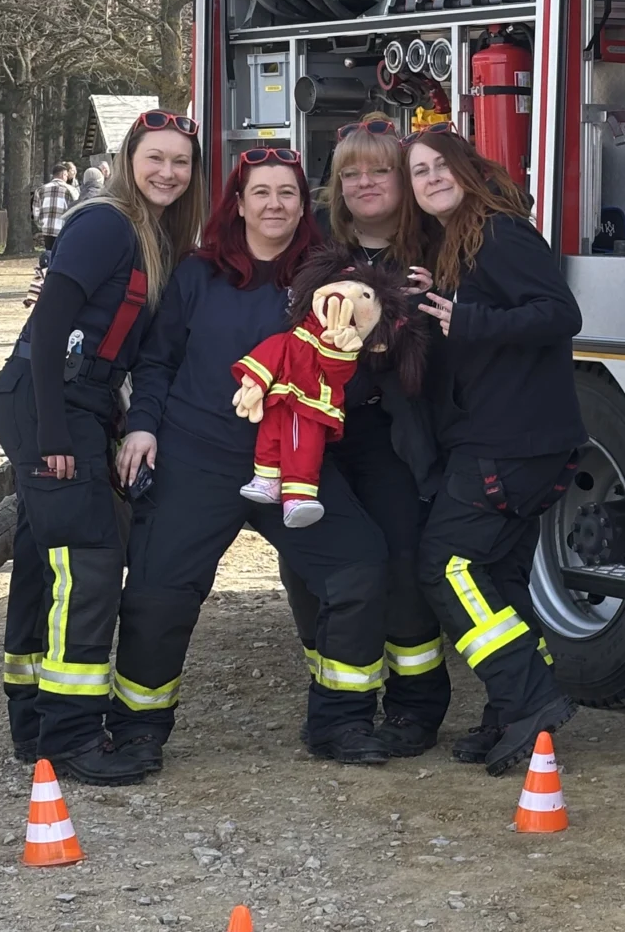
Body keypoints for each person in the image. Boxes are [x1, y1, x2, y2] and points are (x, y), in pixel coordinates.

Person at [108, 147, 417, 771]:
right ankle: (138, 728)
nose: (274, 204)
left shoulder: (330, 281)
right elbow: (158, 360)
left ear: (304, 206)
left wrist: (359, 353)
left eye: (287, 193)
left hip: (296, 465)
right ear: (239, 204)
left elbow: (353, 381)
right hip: (199, 454)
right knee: (160, 591)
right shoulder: (198, 274)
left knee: (358, 566)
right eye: (261, 193)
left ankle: (341, 720)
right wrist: (141, 427)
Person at [0, 110, 205, 783]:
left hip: (83, 402)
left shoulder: (156, 237)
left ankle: (33, 724)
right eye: (155, 158)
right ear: (127, 160)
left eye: (181, 161)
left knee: (45, 560)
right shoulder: (105, 224)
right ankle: (73, 737)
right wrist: (53, 432)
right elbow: (50, 325)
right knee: (89, 564)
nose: (168, 172)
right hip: (51, 400)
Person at [406, 128, 584, 778]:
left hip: (509, 446)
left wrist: (468, 319)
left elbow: (560, 314)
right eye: (419, 171)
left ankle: (528, 698)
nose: (431, 178)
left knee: (446, 565)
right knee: (500, 577)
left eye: (441, 165)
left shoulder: (500, 233)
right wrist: (441, 296)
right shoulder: (463, 243)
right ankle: (513, 710)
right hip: (518, 444)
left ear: (468, 169)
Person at [302, 116, 451, 755]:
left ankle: (416, 707)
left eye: (380, 170)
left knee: (401, 561)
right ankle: (338, 704)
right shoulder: (313, 247)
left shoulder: (440, 249)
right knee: (318, 570)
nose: (365, 183)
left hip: (393, 435)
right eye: (351, 173)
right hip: (318, 435)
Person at [35, 161, 78, 250]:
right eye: (66, 175)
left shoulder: (40, 190)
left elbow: (36, 211)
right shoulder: (71, 190)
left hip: (46, 229)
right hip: (63, 229)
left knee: (49, 253)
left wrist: (41, 225)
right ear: (63, 175)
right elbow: (76, 209)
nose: (67, 178)